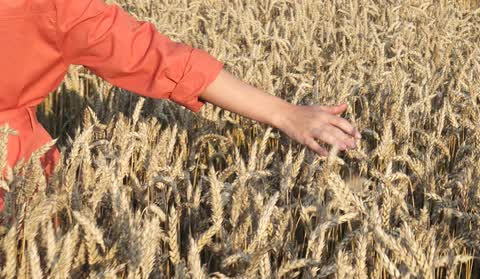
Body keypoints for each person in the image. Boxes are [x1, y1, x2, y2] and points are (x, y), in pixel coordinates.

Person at [0, 0, 361, 210]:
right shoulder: (52, 7)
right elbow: (158, 58)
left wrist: (286, 113)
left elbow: (158, 58)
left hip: (18, 181)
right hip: (17, 179)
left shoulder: (54, 7)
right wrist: (286, 113)